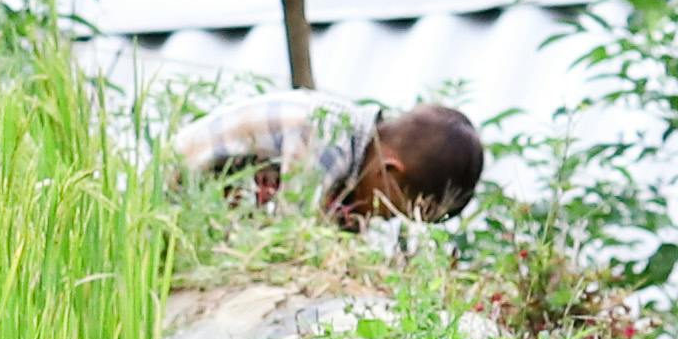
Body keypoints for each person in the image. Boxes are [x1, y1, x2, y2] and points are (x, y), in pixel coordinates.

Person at [168, 89, 484, 225]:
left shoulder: (351, 139)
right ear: (388, 170)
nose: (375, 218)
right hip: (171, 195)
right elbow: (291, 232)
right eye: (390, 212)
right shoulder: (327, 141)